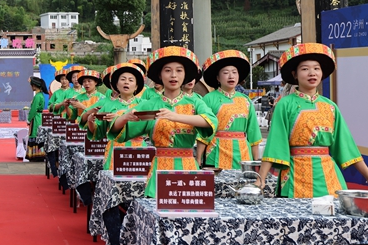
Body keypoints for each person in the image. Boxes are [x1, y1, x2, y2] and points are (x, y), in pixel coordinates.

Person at [259, 43, 368, 245]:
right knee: (300, 239)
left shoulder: (331, 107)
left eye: (317, 68)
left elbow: (347, 148)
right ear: (294, 75)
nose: (312, 72)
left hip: (330, 177)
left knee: (335, 239)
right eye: (305, 68)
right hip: (296, 178)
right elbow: (275, 145)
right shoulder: (285, 105)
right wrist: (261, 179)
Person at [110, 48, 217, 198]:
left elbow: (211, 121)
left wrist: (175, 116)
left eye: (179, 70)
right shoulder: (150, 104)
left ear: (185, 75)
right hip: (160, 168)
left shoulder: (195, 102)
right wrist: (123, 118)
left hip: (187, 167)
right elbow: (119, 131)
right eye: (168, 70)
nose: (173, 75)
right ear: (160, 75)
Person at [197, 51, 262, 169]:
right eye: (226, 73)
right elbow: (203, 133)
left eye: (234, 72)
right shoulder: (209, 99)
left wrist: (256, 162)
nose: (231, 76)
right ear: (217, 77)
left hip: (243, 154)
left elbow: (254, 133)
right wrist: (198, 158)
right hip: (216, 153)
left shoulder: (246, 100)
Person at [83, 63, 148, 170]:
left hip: (139, 151)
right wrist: (90, 122)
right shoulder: (107, 105)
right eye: (123, 79)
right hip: (115, 150)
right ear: (116, 85)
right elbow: (98, 132)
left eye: (131, 80)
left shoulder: (145, 105)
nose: (126, 82)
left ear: (136, 86)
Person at [26, 76, 48, 161]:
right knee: (37, 135)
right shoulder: (40, 95)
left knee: (35, 134)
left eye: (31, 85)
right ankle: (39, 154)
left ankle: (36, 155)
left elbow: (33, 109)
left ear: (34, 86)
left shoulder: (38, 96)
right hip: (39, 117)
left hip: (36, 118)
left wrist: (29, 119)